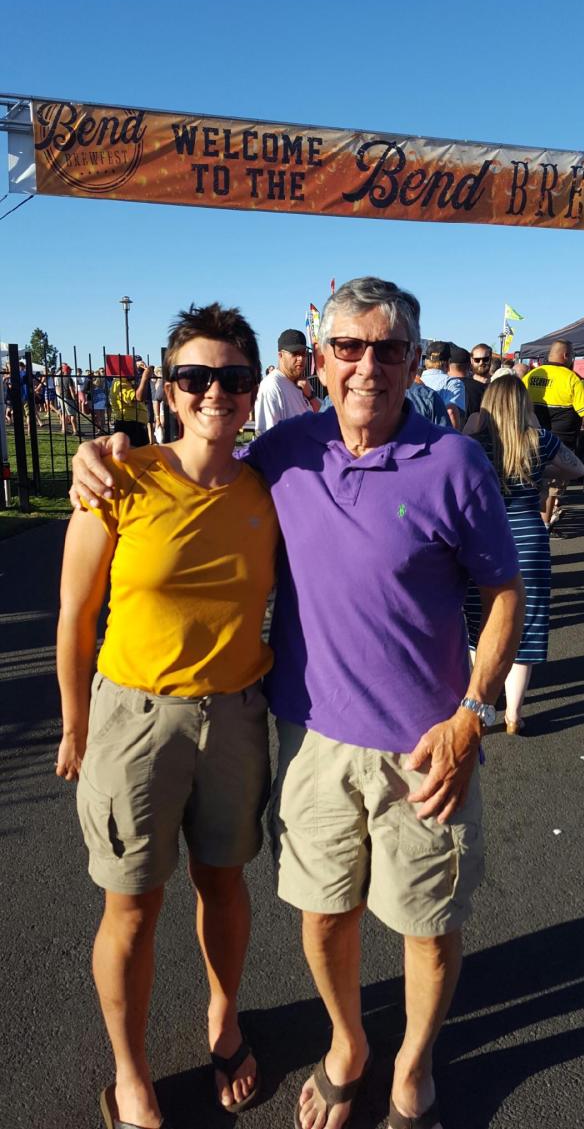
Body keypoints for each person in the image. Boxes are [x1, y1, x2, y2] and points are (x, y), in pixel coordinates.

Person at [71, 276, 525, 1129]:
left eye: (389, 349)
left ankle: (413, 1069)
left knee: (428, 928)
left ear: (413, 362)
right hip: (310, 737)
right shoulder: (285, 454)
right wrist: (102, 450)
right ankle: (348, 1044)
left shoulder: (454, 462)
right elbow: (191, 465)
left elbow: (506, 593)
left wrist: (474, 713)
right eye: (348, 347)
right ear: (320, 360)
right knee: (323, 919)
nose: (367, 366)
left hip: (427, 746)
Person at [58, 303, 279, 1129]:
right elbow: (75, 614)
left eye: (232, 377)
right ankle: (131, 1072)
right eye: (195, 376)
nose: (214, 391)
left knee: (223, 881)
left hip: (235, 717)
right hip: (136, 719)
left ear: (253, 389)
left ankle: (224, 1014)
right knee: (131, 905)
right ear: (170, 389)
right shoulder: (120, 479)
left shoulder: (271, 487)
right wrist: (75, 723)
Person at [464, 377, 584, 733]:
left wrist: (471, 425)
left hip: (483, 538)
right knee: (525, 623)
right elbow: (577, 468)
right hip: (528, 539)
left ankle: (481, 705)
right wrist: (543, 469)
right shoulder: (539, 439)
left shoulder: (473, 442)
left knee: (479, 621)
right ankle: (514, 714)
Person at [523, 340, 584, 528]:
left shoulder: (531, 376)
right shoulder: (572, 379)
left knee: (532, 480)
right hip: (560, 440)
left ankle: (533, 521)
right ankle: (544, 525)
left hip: (530, 439)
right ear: (566, 355)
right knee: (552, 485)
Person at [254, 329, 320, 434]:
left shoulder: (304, 383)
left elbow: (323, 418)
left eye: (303, 353)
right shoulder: (271, 386)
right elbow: (268, 437)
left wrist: (311, 396)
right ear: (280, 355)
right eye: (295, 353)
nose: (301, 358)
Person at [420, 340, 466, 428]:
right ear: (448, 363)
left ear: (426, 361)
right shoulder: (453, 384)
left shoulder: (413, 383)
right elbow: (451, 412)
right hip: (441, 434)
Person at [109, 359, 153, 447]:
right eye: (134, 369)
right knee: (134, 453)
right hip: (128, 425)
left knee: (142, 453)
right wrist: (145, 377)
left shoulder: (128, 382)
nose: (136, 372)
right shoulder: (120, 383)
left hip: (136, 424)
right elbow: (139, 397)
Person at [466, 343, 493, 417]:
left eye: (485, 359)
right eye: (477, 360)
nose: (481, 363)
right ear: (471, 360)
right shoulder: (465, 386)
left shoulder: (497, 384)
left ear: (490, 359)